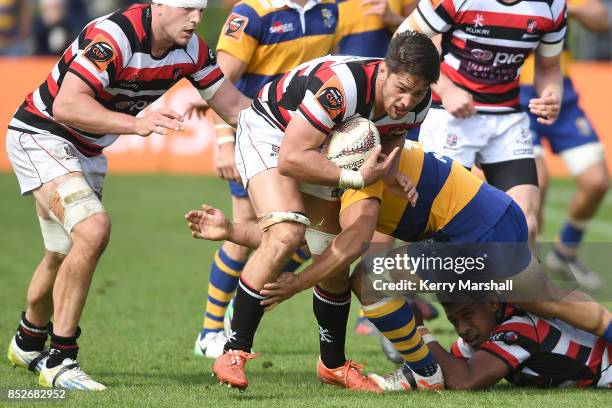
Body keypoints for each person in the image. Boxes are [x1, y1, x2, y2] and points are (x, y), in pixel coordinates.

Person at [188, 142, 612, 390]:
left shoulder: (358, 172)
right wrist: (231, 229)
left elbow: (346, 246)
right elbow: (298, 232)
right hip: (477, 224)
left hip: (480, 228)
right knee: (542, 299)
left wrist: (298, 281)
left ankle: (423, 372)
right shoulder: (346, 178)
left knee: (373, 276)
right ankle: (421, 370)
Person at [5, 0, 250, 391]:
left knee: (62, 253)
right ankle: (61, 359)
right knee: (93, 229)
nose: (197, 18)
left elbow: (236, 107)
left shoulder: (193, 50)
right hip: (41, 135)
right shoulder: (115, 36)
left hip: (86, 150)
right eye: (188, 9)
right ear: (159, 6)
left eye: (201, 10)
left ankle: (28, 340)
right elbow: (67, 104)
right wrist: (136, 124)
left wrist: (301, 125)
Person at [204, 31, 438, 391]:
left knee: (333, 259)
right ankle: (233, 351)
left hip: (324, 148)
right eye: (402, 88)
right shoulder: (343, 87)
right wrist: (356, 178)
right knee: (286, 232)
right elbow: (292, 158)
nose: (407, 101)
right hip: (272, 132)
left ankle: (333, 366)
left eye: (417, 93)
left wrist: (390, 175)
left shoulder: (419, 104)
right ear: (385, 70)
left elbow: (388, 139)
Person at [192, 0, 340, 359]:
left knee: (308, 233)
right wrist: (225, 142)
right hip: (260, 137)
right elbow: (217, 81)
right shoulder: (253, 13)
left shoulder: (329, 9)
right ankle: (210, 331)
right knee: (245, 231)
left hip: (308, 142)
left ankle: (240, 306)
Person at [398, 0, 568, 245]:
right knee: (437, 227)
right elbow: (403, 39)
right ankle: (393, 274)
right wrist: (445, 90)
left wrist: (553, 94)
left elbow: (550, 68)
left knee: (525, 223)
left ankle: (517, 284)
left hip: (506, 117)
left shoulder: (553, 6)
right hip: (450, 117)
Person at [519, 0, 610, 290]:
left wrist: (563, 8)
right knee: (537, 180)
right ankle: (529, 270)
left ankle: (564, 252)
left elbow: (602, 20)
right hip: (514, 92)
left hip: (562, 90)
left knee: (597, 181)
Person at [386, 298, 611, 389]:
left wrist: (418, 329)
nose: (463, 328)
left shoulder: (519, 327)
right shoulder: (484, 331)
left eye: (467, 314)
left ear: (493, 302)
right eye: (454, 321)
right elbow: (446, 370)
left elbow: (465, 381)